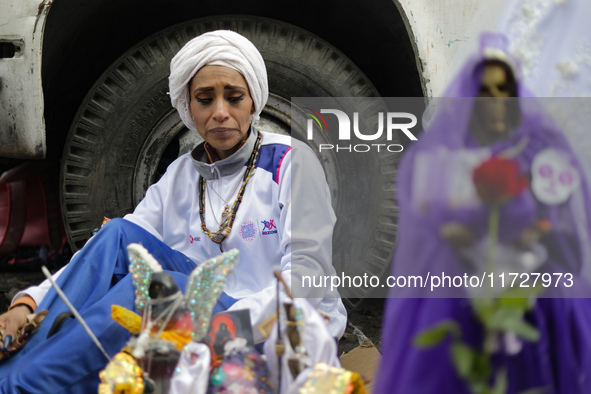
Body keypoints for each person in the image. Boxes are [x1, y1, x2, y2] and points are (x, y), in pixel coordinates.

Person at [0, 29, 346, 392]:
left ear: (253, 101)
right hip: (198, 322)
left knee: (155, 291)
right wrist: (28, 301)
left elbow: (308, 278)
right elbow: (107, 250)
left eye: (234, 97)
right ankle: (15, 361)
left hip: (273, 331)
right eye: (205, 99)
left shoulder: (290, 162)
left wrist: (227, 326)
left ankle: (23, 385)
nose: (220, 113)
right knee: (119, 235)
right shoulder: (181, 174)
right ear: (189, 108)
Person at [376, 33, 591, 393]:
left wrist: (538, 231)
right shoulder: (443, 160)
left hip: (529, 291)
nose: (495, 102)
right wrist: (452, 234)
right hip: (462, 290)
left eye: (503, 91)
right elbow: (427, 224)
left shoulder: (538, 154)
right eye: (484, 92)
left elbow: (560, 223)